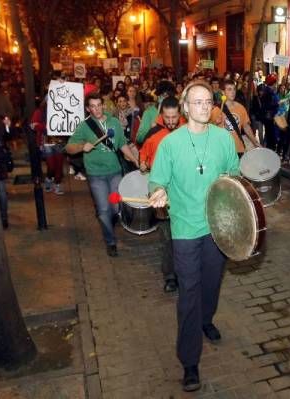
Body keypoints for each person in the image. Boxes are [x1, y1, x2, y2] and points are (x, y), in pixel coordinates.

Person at [148, 80, 239, 392]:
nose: (202, 106)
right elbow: (156, 180)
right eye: (196, 102)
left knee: (212, 283)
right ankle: (189, 361)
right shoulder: (169, 145)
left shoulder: (224, 139)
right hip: (185, 229)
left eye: (207, 101)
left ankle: (206, 319)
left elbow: (233, 177)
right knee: (189, 292)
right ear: (184, 108)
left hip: (217, 227)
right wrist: (158, 191)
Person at [66, 92, 139, 257]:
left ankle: (109, 222)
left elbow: (122, 145)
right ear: (88, 108)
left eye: (99, 105)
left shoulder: (113, 122)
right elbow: (69, 148)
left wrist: (135, 160)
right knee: (104, 210)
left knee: (115, 207)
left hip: (114, 172)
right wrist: (81, 146)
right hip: (96, 175)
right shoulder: (84, 126)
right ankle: (110, 241)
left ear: (103, 106)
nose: (97, 109)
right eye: (93, 106)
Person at [139, 96, 185, 292]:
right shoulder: (154, 133)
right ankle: (170, 276)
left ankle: (186, 273)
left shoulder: (188, 130)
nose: (171, 121)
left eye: (175, 117)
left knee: (183, 237)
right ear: (161, 115)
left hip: (183, 194)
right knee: (167, 237)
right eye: (167, 117)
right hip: (162, 193)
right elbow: (143, 154)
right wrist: (142, 162)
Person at [210, 79, 261, 156]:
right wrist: (215, 123)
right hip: (222, 150)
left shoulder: (241, 108)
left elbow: (246, 127)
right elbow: (207, 130)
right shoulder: (217, 110)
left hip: (238, 149)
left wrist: (255, 142)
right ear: (223, 92)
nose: (233, 92)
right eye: (229, 89)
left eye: (234, 89)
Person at [136, 81, 176, 145]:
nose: (166, 98)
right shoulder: (149, 112)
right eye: (163, 95)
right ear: (158, 96)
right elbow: (139, 138)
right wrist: (151, 129)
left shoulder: (176, 112)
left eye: (168, 96)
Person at [0, 117, 10, 229]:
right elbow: (7, 136)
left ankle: (3, 217)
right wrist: (7, 127)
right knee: (1, 191)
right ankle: (4, 218)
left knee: (1, 191)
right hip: (0, 160)